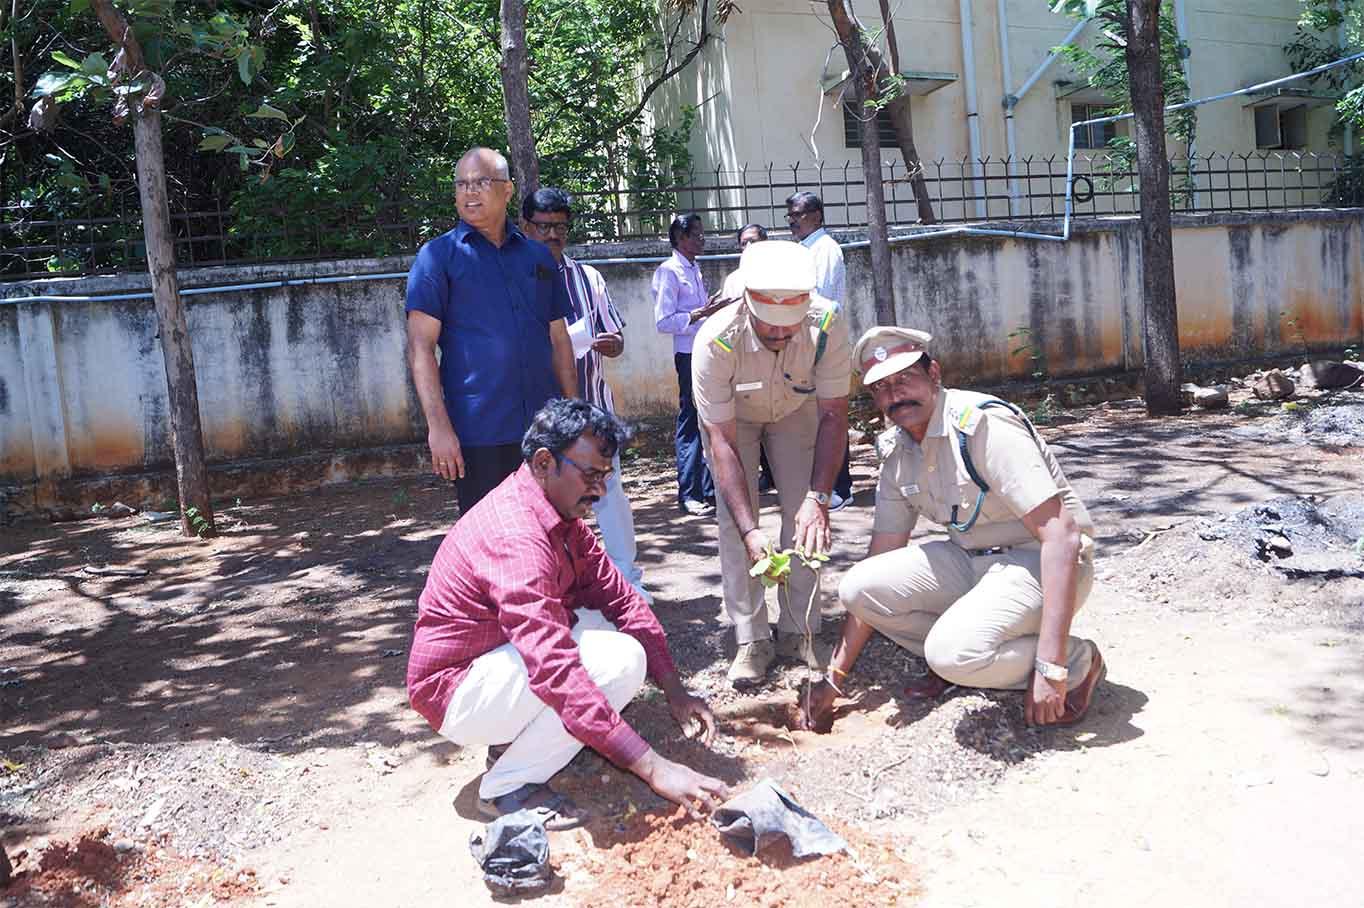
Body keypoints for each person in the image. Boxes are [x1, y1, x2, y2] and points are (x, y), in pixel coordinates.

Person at [407, 398, 730, 830]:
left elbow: (622, 600)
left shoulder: (557, 516)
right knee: (617, 661)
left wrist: (675, 692)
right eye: (590, 475)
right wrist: (655, 769)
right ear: (544, 463)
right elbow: (555, 669)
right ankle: (509, 786)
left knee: (608, 629)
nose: (599, 491)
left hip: (494, 665)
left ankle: (514, 745)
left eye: (606, 477)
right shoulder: (516, 536)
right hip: (456, 692)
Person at [801, 327, 1106, 731]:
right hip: (972, 562)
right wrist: (833, 679)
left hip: (1040, 562)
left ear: (934, 375)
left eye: (905, 378)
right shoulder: (896, 450)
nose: (896, 394)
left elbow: (1061, 536)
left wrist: (1052, 665)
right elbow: (882, 556)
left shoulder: (982, 426)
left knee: (951, 654)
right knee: (858, 588)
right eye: (882, 387)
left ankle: (1077, 660)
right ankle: (967, 655)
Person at [692, 241, 851, 686]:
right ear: (747, 305)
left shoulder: (827, 323)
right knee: (736, 524)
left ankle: (801, 631)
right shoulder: (715, 339)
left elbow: (834, 415)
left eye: (790, 328)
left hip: (796, 411)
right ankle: (752, 639)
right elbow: (720, 441)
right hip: (734, 421)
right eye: (771, 329)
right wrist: (749, 530)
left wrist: (819, 498)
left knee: (806, 520)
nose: (781, 336)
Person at [405, 147, 578, 513]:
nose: (470, 192)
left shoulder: (538, 258)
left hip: (542, 429)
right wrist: (439, 428)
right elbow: (421, 348)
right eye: (462, 184)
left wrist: (572, 417)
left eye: (482, 182)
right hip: (478, 434)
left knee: (551, 533)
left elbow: (559, 340)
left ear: (508, 190)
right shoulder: (437, 258)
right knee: (490, 542)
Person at [521, 187, 652, 605]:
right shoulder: (515, 278)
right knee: (542, 502)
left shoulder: (588, 277)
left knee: (609, 495)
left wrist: (609, 344)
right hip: (537, 418)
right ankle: (550, 587)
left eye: (561, 227)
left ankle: (626, 580)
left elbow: (615, 336)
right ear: (526, 227)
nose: (553, 235)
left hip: (593, 411)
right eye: (544, 227)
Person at [785, 191, 852, 510]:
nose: (792, 222)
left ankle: (841, 487)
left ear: (816, 216)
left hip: (823, 341)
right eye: (790, 216)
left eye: (797, 215)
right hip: (807, 341)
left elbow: (819, 300)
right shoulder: (803, 250)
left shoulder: (824, 250)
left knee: (831, 415)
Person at [654, 213, 722, 516]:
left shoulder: (693, 268)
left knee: (709, 419)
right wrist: (698, 313)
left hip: (704, 350)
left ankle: (708, 490)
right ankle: (689, 493)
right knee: (690, 422)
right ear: (680, 238)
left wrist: (712, 309)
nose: (701, 239)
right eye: (696, 234)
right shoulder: (668, 271)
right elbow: (664, 321)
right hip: (687, 355)